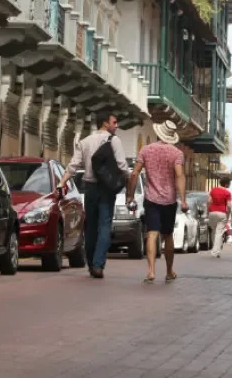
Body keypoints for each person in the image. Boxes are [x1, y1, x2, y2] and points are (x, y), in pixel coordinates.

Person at [58, 111, 129, 279]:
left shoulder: (85, 141)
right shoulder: (114, 141)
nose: (116, 126)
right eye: (114, 122)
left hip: (89, 187)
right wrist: (126, 180)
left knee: (90, 227)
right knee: (104, 226)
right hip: (106, 189)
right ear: (105, 123)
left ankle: (91, 264)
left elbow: (73, 166)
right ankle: (98, 265)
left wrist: (62, 183)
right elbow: (122, 166)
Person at [126, 120, 188, 284]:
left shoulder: (146, 150)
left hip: (151, 198)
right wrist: (183, 200)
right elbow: (180, 175)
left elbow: (134, 174)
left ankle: (151, 271)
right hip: (169, 200)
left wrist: (130, 195)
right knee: (168, 235)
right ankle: (168, 271)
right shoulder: (177, 153)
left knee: (152, 234)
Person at [207, 176, 232, 258]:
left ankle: (216, 250)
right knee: (219, 233)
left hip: (212, 213)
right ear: (226, 184)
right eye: (229, 183)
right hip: (222, 213)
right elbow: (228, 206)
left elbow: (208, 201)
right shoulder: (227, 193)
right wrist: (228, 214)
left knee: (213, 231)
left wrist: (208, 211)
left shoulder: (213, 190)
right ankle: (215, 252)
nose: (230, 185)